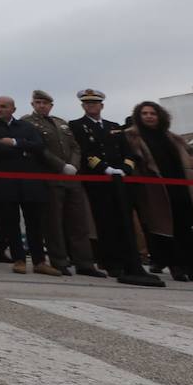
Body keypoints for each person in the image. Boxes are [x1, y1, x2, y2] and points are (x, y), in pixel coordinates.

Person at [69, 88, 163, 287]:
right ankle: (110, 262)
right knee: (105, 221)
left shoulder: (114, 127)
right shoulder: (77, 125)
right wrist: (105, 168)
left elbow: (127, 151)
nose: (91, 106)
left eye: (94, 103)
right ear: (83, 106)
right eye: (87, 103)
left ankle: (128, 258)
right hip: (98, 179)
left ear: (101, 105)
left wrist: (124, 168)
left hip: (120, 180)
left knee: (124, 220)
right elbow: (85, 151)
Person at [126, 101, 193, 283]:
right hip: (155, 190)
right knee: (165, 230)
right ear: (138, 116)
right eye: (145, 113)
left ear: (160, 116)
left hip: (180, 188)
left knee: (186, 228)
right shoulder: (131, 138)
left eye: (153, 113)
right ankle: (176, 267)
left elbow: (189, 162)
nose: (149, 116)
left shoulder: (172, 138)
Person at [24, 89, 105, 277]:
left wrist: (73, 166)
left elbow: (75, 146)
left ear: (51, 105)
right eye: (38, 103)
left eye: (45, 103)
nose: (42, 106)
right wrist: (61, 166)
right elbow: (40, 149)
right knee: (54, 223)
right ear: (33, 105)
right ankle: (59, 261)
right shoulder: (29, 123)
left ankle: (84, 263)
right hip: (50, 177)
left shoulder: (61, 123)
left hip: (72, 178)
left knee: (78, 223)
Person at [0, 97, 61, 276]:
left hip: (30, 182)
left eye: (3, 106)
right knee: (11, 222)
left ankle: (39, 261)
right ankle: (19, 259)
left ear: (13, 109)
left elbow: (39, 146)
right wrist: (25, 150)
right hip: (5, 182)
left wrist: (15, 143)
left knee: (34, 222)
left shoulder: (26, 127)